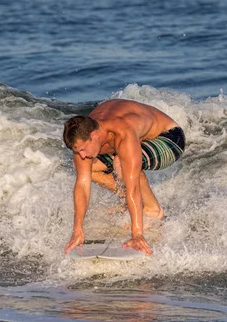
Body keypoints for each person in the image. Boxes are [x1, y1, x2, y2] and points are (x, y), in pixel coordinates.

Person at [62, 99, 185, 255]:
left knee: (122, 163)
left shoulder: (122, 132)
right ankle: (128, 201)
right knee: (83, 168)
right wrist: (77, 230)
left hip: (169, 138)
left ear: (94, 135)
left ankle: (153, 210)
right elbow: (82, 185)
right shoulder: (84, 138)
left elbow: (133, 187)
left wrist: (137, 234)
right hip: (135, 138)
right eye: (78, 151)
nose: (82, 155)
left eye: (84, 149)